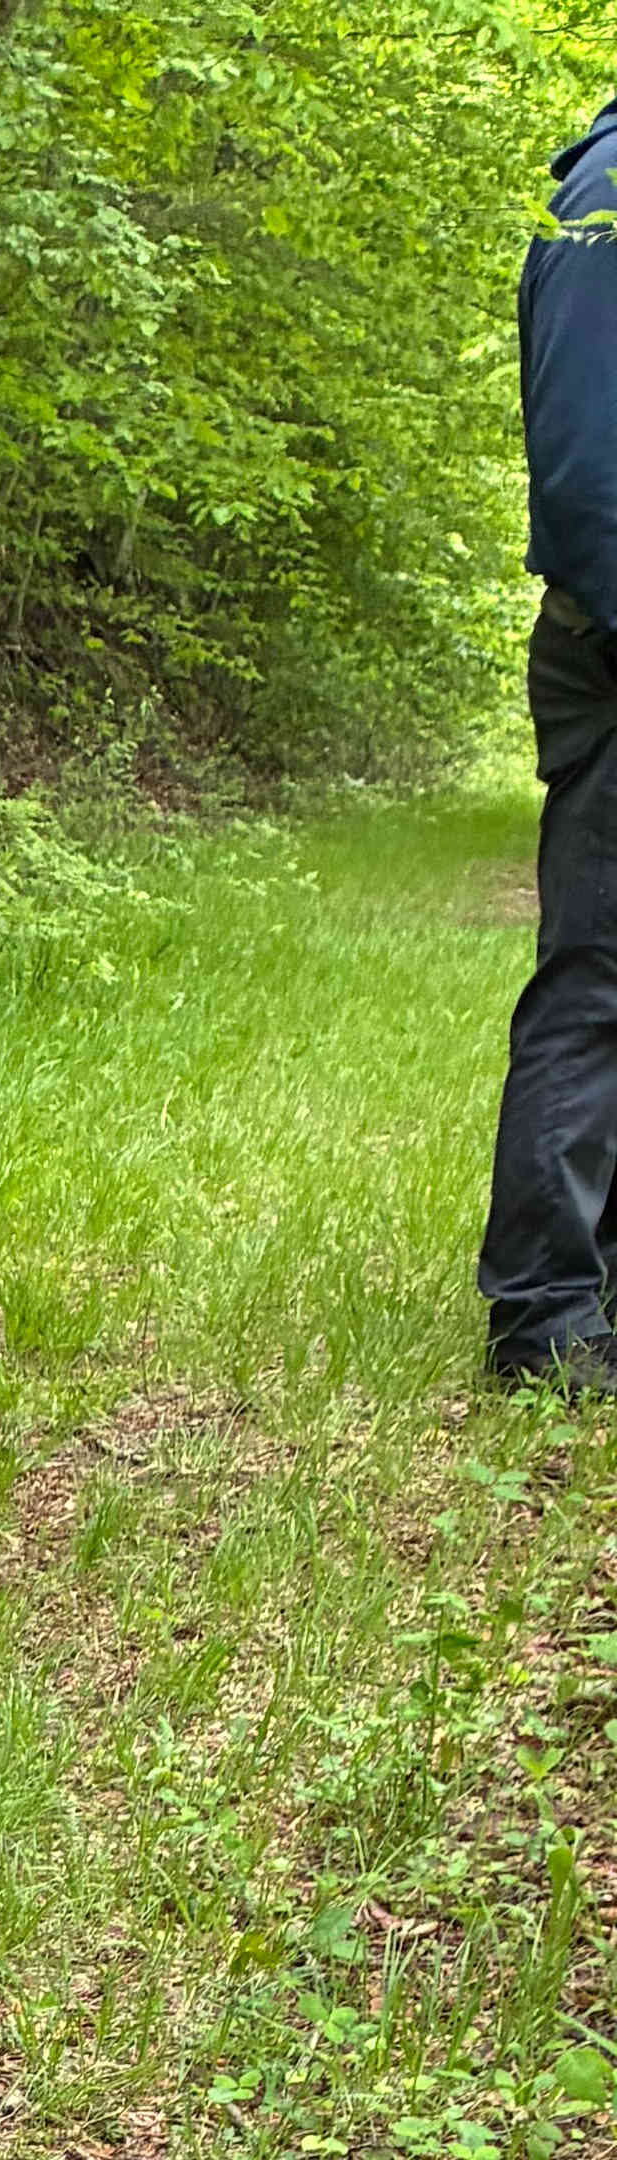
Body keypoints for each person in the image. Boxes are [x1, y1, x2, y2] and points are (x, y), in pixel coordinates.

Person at [487, 88, 617, 1390]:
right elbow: (589, 465)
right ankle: (546, 1319)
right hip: (613, 646)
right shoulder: (611, 191)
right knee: (600, 978)